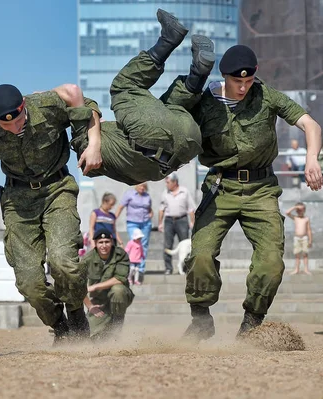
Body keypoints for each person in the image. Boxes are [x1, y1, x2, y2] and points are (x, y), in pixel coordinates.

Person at [160, 44, 323, 340]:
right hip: (220, 187)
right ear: (225, 77)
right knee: (201, 255)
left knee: (272, 262)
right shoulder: (205, 102)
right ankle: (200, 319)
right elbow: (170, 120)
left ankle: (251, 324)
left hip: (261, 189)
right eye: (238, 82)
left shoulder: (266, 96)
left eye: (248, 82)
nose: (243, 88)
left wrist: (312, 159)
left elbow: (310, 124)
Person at [0, 83, 101, 344]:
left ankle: (76, 316)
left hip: (56, 191)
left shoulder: (46, 107)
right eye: (6, 125)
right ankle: (59, 327)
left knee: (64, 262)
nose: (15, 127)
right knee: (29, 284)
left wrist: (93, 144)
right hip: (18, 204)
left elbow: (83, 102)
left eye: (18, 119)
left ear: (23, 107)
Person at [66, 9, 215, 185]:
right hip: (151, 139)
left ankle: (199, 74)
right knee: (123, 86)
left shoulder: (103, 165)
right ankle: (169, 39)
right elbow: (82, 101)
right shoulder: (84, 146)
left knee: (168, 108)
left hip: (186, 143)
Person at [82, 229, 134, 340]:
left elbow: (120, 278)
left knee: (118, 290)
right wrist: (90, 306)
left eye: (107, 241)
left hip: (121, 297)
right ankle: (104, 330)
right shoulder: (87, 259)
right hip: (99, 302)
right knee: (90, 335)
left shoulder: (120, 255)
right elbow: (78, 286)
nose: (104, 245)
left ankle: (116, 327)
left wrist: (94, 286)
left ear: (112, 242)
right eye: (101, 242)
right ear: (95, 243)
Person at [159, 173, 196, 275]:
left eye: (168, 182)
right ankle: (168, 268)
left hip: (182, 220)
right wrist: (160, 223)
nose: (166, 184)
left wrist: (192, 221)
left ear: (175, 182)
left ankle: (185, 268)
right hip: (169, 221)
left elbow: (191, 208)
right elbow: (161, 209)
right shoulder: (165, 193)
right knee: (167, 244)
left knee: (186, 246)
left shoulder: (184, 191)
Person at [116, 183, 152, 282]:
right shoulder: (129, 194)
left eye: (144, 187)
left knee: (143, 245)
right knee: (134, 244)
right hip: (133, 222)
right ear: (136, 186)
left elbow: (149, 208)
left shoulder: (147, 196)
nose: (142, 188)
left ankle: (140, 269)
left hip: (145, 223)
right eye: (141, 186)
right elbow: (121, 206)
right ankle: (132, 267)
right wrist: (114, 218)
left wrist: (151, 214)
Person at [286, 202, 313, 275]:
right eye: (298, 210)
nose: (300, 211)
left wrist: (310, 240)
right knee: (297, 254)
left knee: (305, 254)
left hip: (304, 238)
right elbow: (287, 212)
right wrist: (296, 207)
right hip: (297, 238)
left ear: (304, 210)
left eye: (302, 210)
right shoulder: (295, 218)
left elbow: (309, 230)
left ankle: (306, 269)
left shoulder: (306, 219)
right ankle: (296, 269)